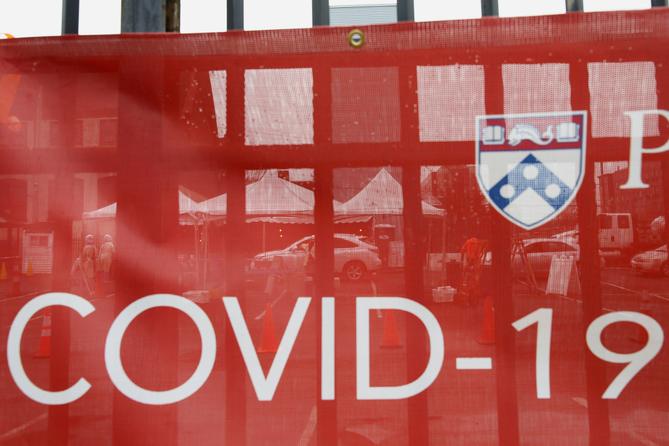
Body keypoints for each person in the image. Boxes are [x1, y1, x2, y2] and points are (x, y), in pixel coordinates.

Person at [460, 236, 486, 306]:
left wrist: (463, 261)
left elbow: (462, 250)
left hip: (469, 263)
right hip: (475, 265)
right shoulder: (478, 243)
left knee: (466, 282)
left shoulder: (468, 242)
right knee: (475, 282)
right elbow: (479, 254)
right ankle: (474, 300)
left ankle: (466, 300)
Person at [71, 234, 97, 298]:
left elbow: (84, 255)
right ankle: (92, 291)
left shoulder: (86, 247)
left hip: (87, 263)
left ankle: (89, 291)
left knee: (86, 277)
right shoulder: (94, 247)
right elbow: (95, 256)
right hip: (91, 263)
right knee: (90, 277)